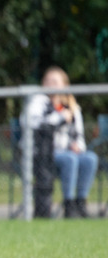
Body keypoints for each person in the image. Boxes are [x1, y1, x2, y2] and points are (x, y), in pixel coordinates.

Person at [23, 66, 98, 218]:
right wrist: (60, 117)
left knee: (89, 158)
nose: (51, 85)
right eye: (47, 81)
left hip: (67, 153)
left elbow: (80, 136)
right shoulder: (38, 102)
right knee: (69, 159)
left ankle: (80, 202)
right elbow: (32, 123)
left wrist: (78, 146)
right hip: (43, 155)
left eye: (55, 82)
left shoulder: (72, 107)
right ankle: (68, 205)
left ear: (64, 85)